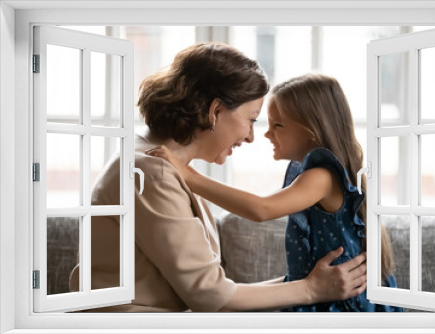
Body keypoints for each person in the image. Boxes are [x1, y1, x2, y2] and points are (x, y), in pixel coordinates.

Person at [69, 44, 367, 312]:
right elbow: (211, 297)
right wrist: (310, 289)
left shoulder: (158, 164)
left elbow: (213, 293)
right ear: (215, 111)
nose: (252, 136)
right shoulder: (155, 172)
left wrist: (309, 286)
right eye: (251, 119)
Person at [146, 73, 403, 312]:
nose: (266, 134)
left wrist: (188, 175)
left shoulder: (322, 176)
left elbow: (261, 209)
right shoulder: (317, 173)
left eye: (277, 125)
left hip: (343, 308)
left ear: (312, 130)